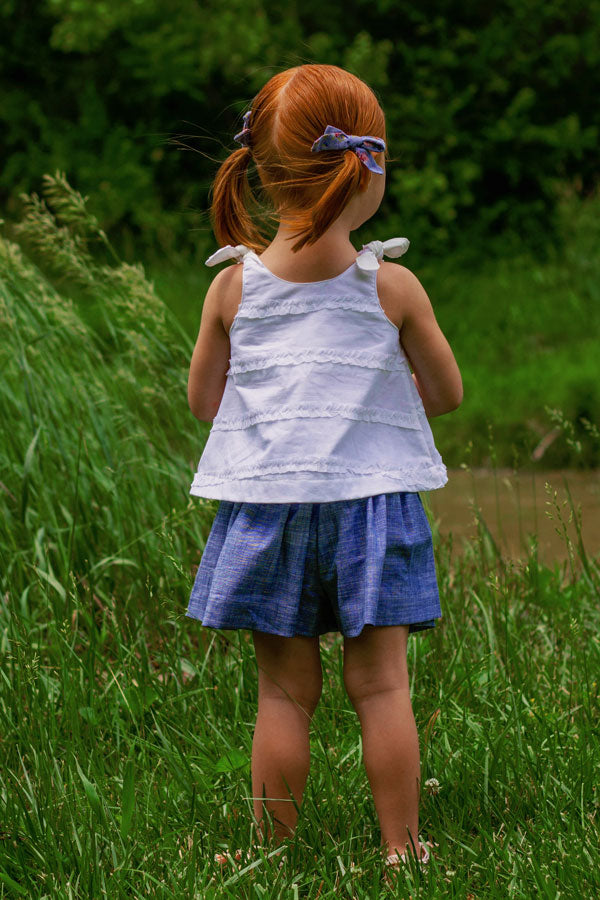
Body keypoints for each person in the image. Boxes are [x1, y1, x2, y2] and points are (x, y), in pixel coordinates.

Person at [185, 63, 463, 875]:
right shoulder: (394, 287)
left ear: (264, 174)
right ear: (366, 170)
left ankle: (269, 853)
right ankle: (403, 849)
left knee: (282, 694)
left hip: (269, 510)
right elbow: (445, 393)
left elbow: (205, 403)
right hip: (372, 507)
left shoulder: (232, 289)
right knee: (380, 687)